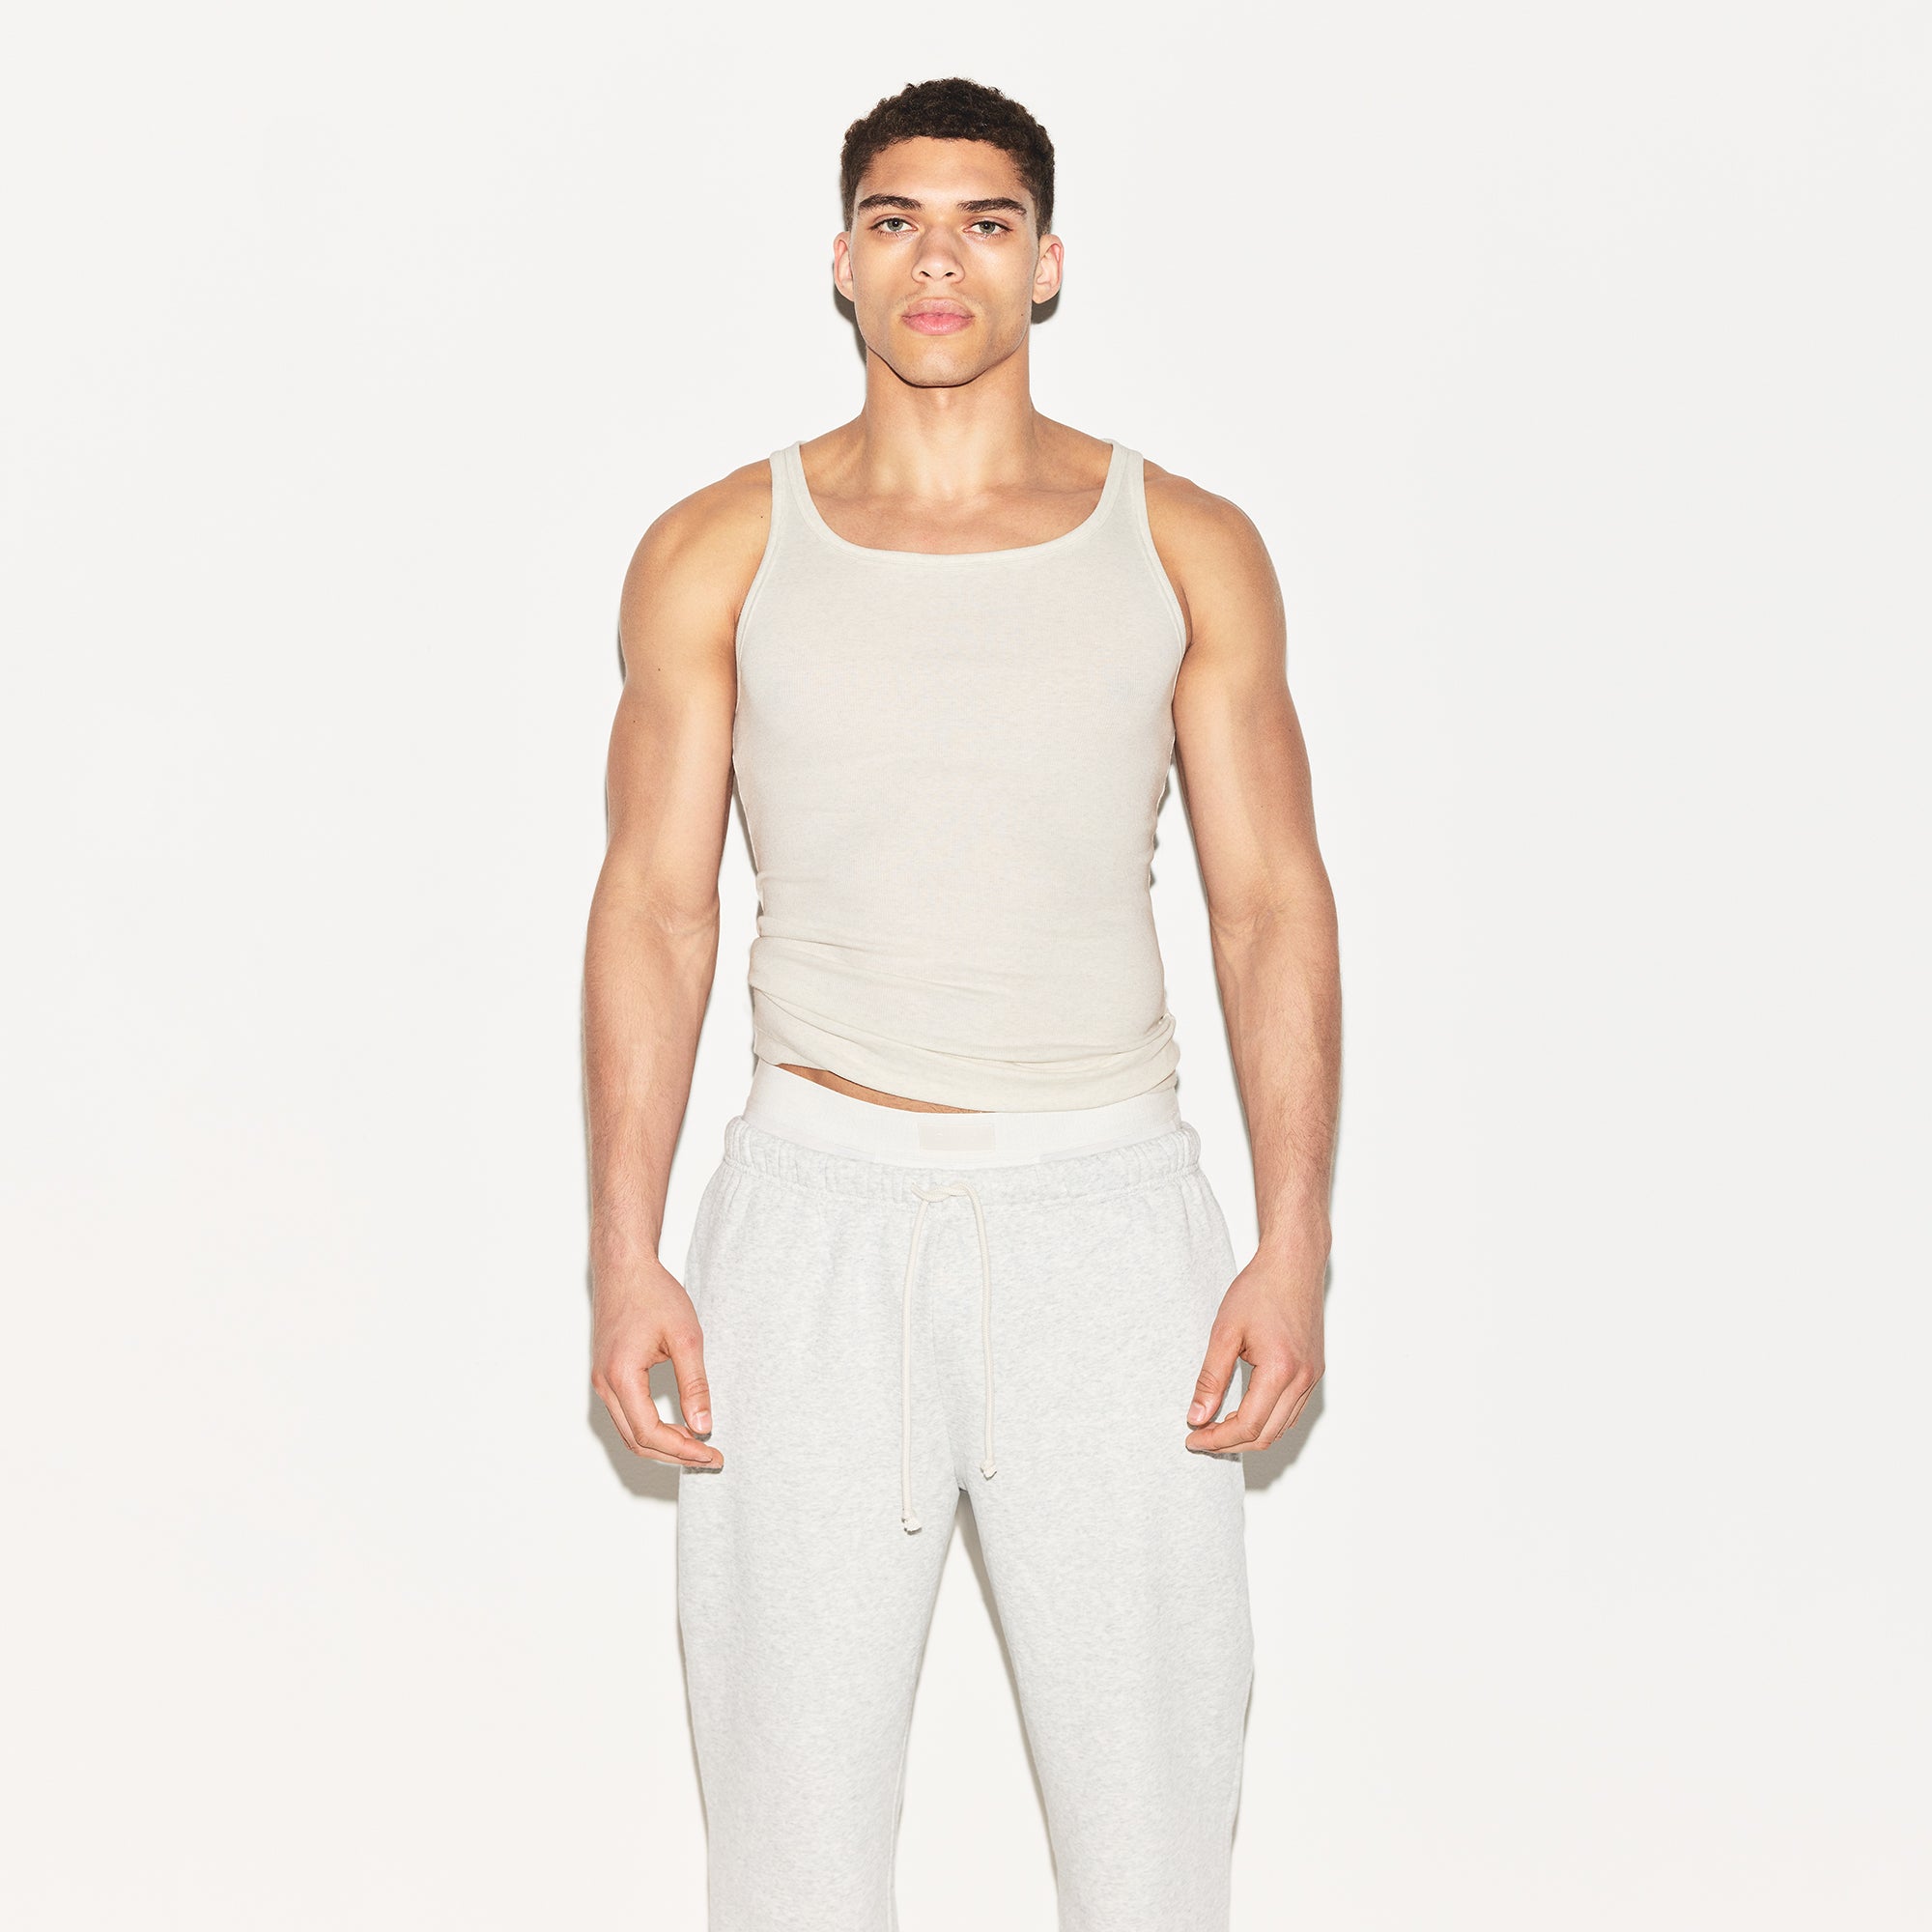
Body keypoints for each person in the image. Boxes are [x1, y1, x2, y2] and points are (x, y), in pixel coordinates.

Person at [582, 75, 1340, 1932]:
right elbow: (657, 909)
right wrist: (624, 1252)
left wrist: (1295, 1241)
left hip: (1110, 1222)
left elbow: (1268, 906)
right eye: (900, 221)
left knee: (1154, 1825)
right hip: (809, 1220)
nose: (942, 260)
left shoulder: (1185, 543)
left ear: (1046, 262)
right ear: (842, 262)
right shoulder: (717, 548)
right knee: (789, 1831)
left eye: (985, 223)